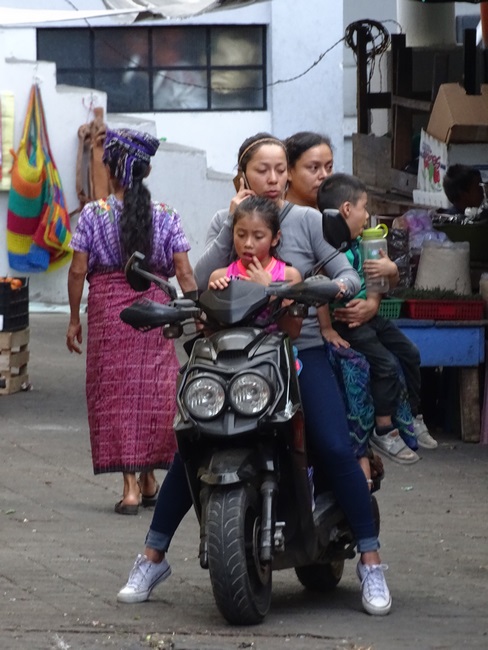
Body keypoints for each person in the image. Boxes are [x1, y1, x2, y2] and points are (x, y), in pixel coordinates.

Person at [117, 133, 392, 617]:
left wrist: (321, 286)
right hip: (231, 351)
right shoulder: (229, 223)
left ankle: (370, 561)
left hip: (298, 350)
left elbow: (344, 272)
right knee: (192, 446)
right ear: (244, 175)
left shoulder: (305, 221)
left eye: (281, 169)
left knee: (331, 443)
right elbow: (199, 280)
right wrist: (231, 229)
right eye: (262, 170)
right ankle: (152, 556)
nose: (274, 179)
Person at [66, 127, 197, 515]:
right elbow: (185, 272)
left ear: (110, 169)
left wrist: (74, 318)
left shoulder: (94, 213)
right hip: (155, 311)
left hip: (109, 313)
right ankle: (151, 477)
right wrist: (199, 313)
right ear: (147, 171)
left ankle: (131, 489)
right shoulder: (167, 215)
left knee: (116, 396)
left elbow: (77, 271)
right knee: (153, 393)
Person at [317, 173, 438, 463]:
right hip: (347, 322)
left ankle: (412, 416)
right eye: (364, 207)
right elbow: (318, 286)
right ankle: (384, 429)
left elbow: (380, 283)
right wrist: (326, 328)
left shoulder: (363, 243)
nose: (367, 215)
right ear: (347, 209)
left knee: (410, 352)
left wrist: (385, 271)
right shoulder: (327, 247)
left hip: (370, 316)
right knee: (383, 363)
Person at [208, 195, 302, 337]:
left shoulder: (289, 276)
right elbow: (211, 335)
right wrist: (214, 301)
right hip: (233, 354)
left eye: (258, 237)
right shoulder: (221, 277)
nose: (248, 244)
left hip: (273, 356)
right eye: (241, 235)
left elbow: (293, 332)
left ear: (275, 238)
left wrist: (270, 292)